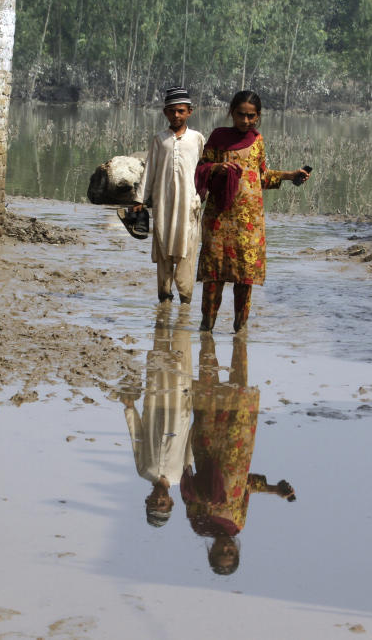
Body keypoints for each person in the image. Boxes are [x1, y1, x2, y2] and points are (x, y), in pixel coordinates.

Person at [194, 90, 310, 332]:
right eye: (240, 115)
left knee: (244, 278)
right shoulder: (218, 137)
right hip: (219, 217)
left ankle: (240, 330)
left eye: (251, 116)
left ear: (258, 116)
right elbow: (201, 169)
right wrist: (217, 167)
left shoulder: (257, 141)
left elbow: (261, 177)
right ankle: (207, 329)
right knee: (214, 276)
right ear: (231, 112)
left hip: (250, 222)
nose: (245, 121)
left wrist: (290, 176)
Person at [181, 334, 295, 574]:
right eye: (230, 554)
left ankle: (207, 335)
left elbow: (188, 490)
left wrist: (208, 499)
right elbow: (245, 486)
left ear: (210, 551)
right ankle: (239, 338)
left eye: (220, 554)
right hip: (237, 446)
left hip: (208, 446)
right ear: (237, 550)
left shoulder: (200, 524)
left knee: (209, 390)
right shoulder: (238, 525)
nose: (226, 550)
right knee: (240, 389)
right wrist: (275, 489)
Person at [119, 306, 195, 526]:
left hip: (153, 407)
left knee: (159, 354)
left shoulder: (144, 471)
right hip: (179, 409)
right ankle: (184, 311)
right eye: (162, 504)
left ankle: (164, 309)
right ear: (171, 502)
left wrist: (130, 409)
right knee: (181, 355)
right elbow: (191, 444)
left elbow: (137, 439)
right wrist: (197, 414)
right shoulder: (182, 476)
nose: (158, 499)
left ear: (147, 500)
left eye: (154, 503)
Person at [132, 86, 206, 304]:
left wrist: (204, 197)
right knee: (163, 245)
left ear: (190, 112)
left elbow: (205, 170)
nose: (176, 115)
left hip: (189, 204)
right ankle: (164, 297)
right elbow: (150, 171)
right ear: (165, 112)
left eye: (181, 111)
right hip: (163, 204)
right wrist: (139, 199)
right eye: (172, 111)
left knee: (188, 249)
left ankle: (185, 299)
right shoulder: (159, 140)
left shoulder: (197, 139)